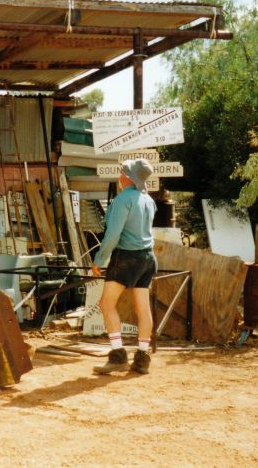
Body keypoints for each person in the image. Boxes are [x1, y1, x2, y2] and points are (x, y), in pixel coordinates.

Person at [91, 159, 156, 375]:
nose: (120, 175)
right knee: (142, 309)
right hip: (148, 258)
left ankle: (118, 355)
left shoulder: (122, 200)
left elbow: (113, 235)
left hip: (126, 258)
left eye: (122, 172)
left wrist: (100, 259)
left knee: (106, 304)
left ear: (128, 177)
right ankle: (142, 358)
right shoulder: (148, 200)